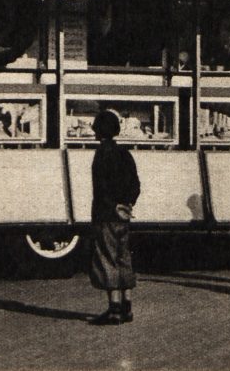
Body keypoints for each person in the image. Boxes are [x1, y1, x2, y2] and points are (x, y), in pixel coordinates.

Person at [88, 110, 141, 325]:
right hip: (124, 214)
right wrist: (127, 204)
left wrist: (113, 206)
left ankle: (114, 310)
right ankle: (128, 308)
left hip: (106, 214)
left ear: (98, 132)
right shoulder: (125, 153)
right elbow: (136, 184)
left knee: (107, 258)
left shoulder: (101, 154)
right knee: (124, 257)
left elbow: (101, 188)